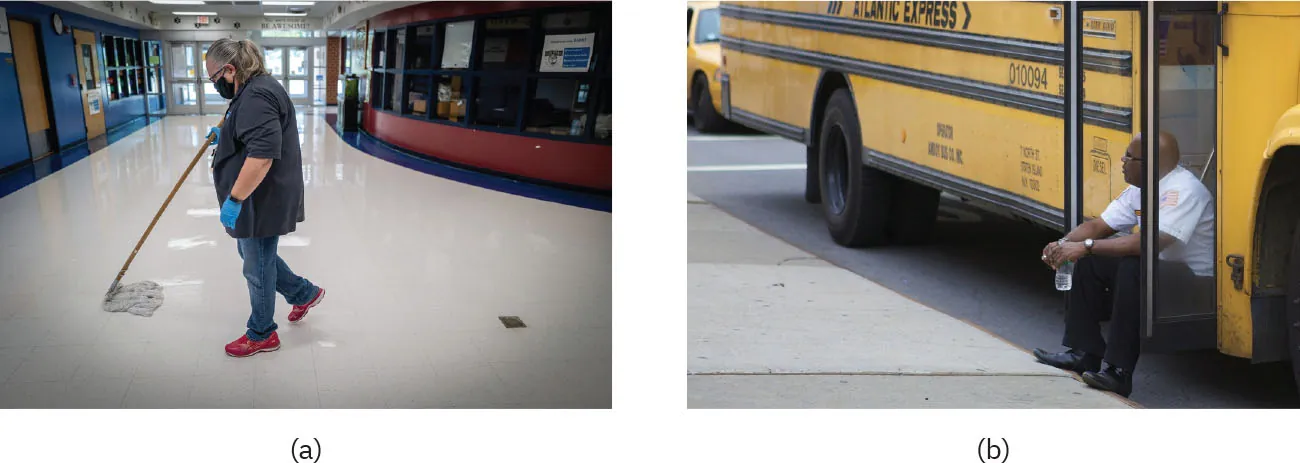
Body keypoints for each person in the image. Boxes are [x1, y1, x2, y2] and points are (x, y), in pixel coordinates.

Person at [1032, 132, 1214, 397]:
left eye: (1129, 156)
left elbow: (1148, 244)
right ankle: (1084, 353)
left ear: (1151, 164)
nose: (1122, 159)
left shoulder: (1183, 191)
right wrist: (1063, 244)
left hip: (1194, 284)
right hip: (1158, 272)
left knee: (1132, 264)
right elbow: (1098, 226)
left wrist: (1084, 246)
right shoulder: (1140, 188)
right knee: (1089, 260)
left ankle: (1119, 372)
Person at [204, 38, 325, 358]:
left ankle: (261, 333)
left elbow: (260, 157)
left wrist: (234, 199)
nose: (214, 85)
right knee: (254, 255)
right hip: (258, 195)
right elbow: (252, 132)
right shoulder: (253, 88)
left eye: (214, 78)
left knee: (256, 267)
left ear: (230, 70)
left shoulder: (256, 95)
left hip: (260, 197)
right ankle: (304, 293)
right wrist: (226, 131)